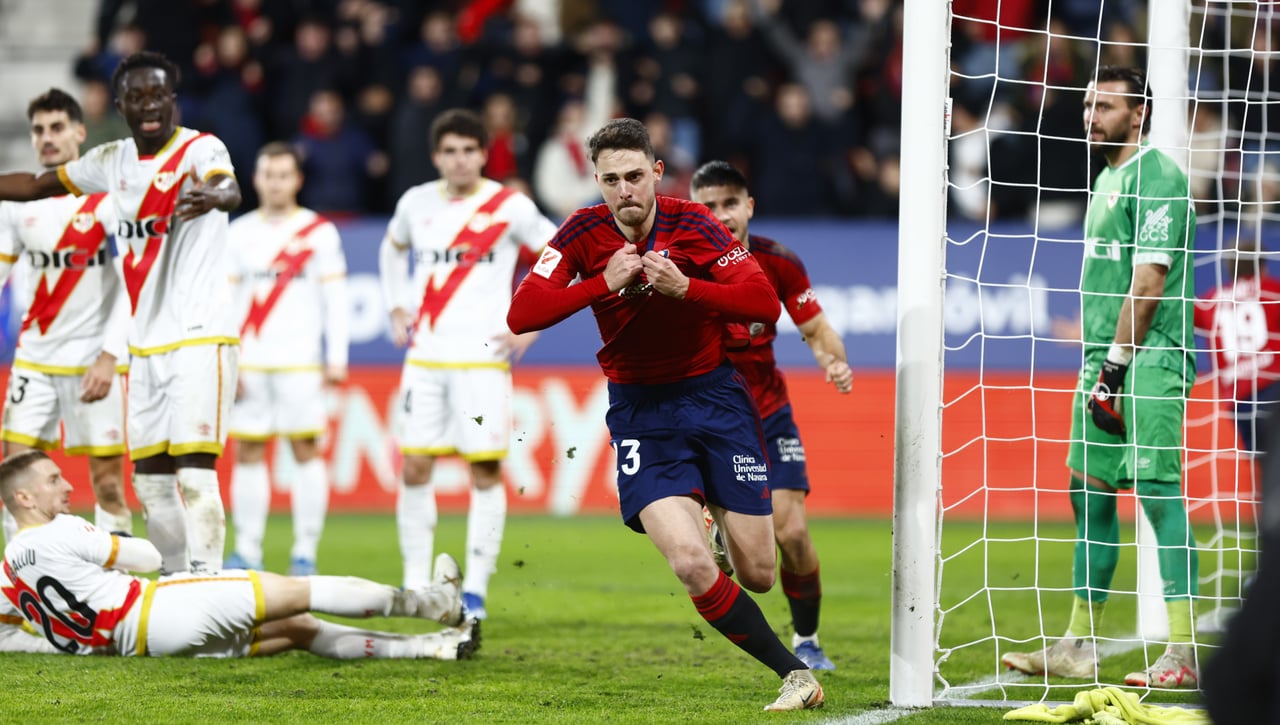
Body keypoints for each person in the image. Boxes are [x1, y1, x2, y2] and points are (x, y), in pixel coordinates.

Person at [507, 117, 824, 711]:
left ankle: (711, 510)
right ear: (596, 181)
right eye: (610, 180)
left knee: (757, 572)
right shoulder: (581, 231)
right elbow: (523, 313)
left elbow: (762, 302)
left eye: (634, 176)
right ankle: (795, 673)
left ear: (656, 172)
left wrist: (688, 290)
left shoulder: (696, 225)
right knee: (688, 561)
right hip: (641, 412)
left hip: (717, 401)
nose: (624, 191)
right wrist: (600, 283)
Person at [0, 51, 242, 576]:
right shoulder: (111, 162)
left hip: (200, 337)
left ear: (173, 100)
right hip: (145, 346)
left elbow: (229, 186)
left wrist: (213, 194)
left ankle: (209, 589)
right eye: (137, 96)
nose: (149, 105)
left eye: (158, 94)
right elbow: (38, 186)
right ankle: (177, 584)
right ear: (121, 105)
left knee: (196, 474)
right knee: (150, 482)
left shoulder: (201, 148)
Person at [1001, 66, 1200, 688]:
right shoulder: (1108, 176)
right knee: (1088, 494)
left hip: (1150, 360)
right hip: (1103, 362)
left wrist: (1113, 368)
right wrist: (1099, 362)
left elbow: (1149, 283)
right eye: (1087, 104)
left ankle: (1183, 653)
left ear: (1137, 114)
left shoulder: (1158, 175)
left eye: (1104, 106)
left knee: (1158, 495)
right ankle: (1076, 644)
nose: (1090, 115)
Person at [0, 450, 477, 660]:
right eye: (52, 480)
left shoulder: (7, 570)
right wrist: (111, 543)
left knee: (297, 630)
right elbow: (146, 557)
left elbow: (7, 631)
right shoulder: (62, 530)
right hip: (158, 606)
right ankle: (433, 605)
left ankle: (432, 649)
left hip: (144, 647)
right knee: (302, 592)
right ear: (23, 499)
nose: (65, 487)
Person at [379, 108, 557, 620]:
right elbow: (392, 251)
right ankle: (415, 584)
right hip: (426, 359)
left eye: (469, 150)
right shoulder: (416, 202)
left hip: (483, 361)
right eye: (450, 151)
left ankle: (476, 588)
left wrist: (533, 322)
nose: (459, 160)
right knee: (415, 465)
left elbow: (559, 259)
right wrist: (395, 303)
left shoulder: (510, 206)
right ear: (437, 156)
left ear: (484, 153)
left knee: (484, 468)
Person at [689, 160, 853, 671]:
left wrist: (833, 358)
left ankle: (808, 639)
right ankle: (712, 520)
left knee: (794, 534)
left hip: (767, 414)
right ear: (694, 210)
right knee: (740, 558)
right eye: (708, 206)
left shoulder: (778, 261)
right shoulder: (678, 261)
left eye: (730, 204)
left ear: (749, 206)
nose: (721, 215)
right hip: (706, 417)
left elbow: (817, 326)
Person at [0, 89, 131, 541]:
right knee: (14, 479)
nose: (47, 138)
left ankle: (113, 594)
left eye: (57, 127)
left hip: (92, 363)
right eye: (38, 130)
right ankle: (19, 590)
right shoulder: (18, 204)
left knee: (109, 484)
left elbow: (133, 285)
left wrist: (110, 356)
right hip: (34, 361)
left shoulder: (109, 202)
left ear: (80, 132)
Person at [224, 142, 349, 576]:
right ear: (255, 179)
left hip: (301, 361)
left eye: (283, 174)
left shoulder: (318, 232)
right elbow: (225, 302)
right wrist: (227, 357)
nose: (275, 182)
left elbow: (335, 300)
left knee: (306, 450)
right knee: (248, 452)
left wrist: (337, 359)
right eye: (267, 174)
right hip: (251, 363)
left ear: (297, 179)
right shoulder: (237, 233)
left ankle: (305, 553)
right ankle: (248, 551)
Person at [1193, 240, 1280, 458]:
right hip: (1273, 386)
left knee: (1264, 467)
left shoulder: (1210, 300)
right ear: (1262, 267)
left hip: (1239, 400)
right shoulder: (1272, 290)